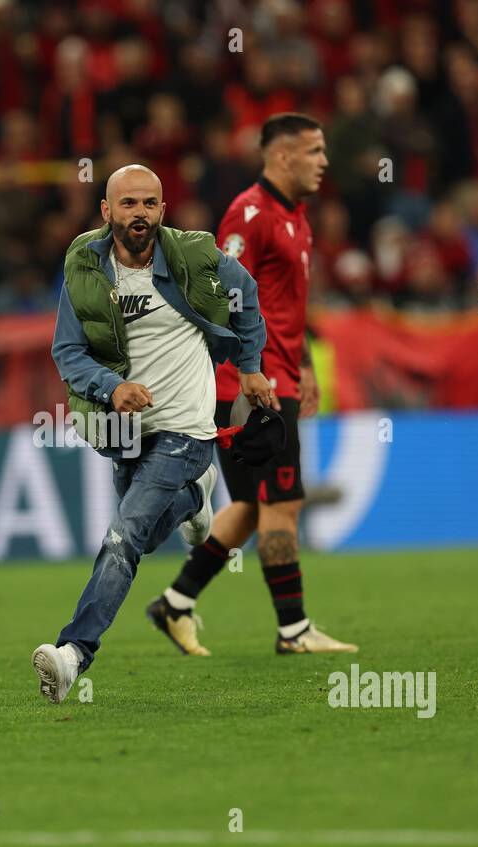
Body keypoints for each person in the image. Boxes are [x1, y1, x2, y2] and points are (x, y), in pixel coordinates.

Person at [33, 164, 272, 704]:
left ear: (162, 210)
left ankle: (73, 655)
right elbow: (68, 352)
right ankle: (196, 496)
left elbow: (247, 291)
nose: (139, 213)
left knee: (122, 537)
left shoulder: (194, 255)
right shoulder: (85, 267)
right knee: (140, 535)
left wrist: (251, 365)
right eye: (128, 204)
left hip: (186, 426)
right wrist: (111, 387)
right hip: (125, 429)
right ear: (106, 211)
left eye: (149, 204)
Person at [147, 113, 358, 656]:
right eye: (314, 151)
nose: (323, 161)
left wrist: (305, 362)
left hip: (278, 377)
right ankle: (294, 631)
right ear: (283, 155)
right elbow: (219, 295)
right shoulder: (249, 214)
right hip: (248, 387)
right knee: (282, 502)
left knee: (249, 506)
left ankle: (176, 603)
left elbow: (288, 305)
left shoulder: (298, 217)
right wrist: (248, 371)